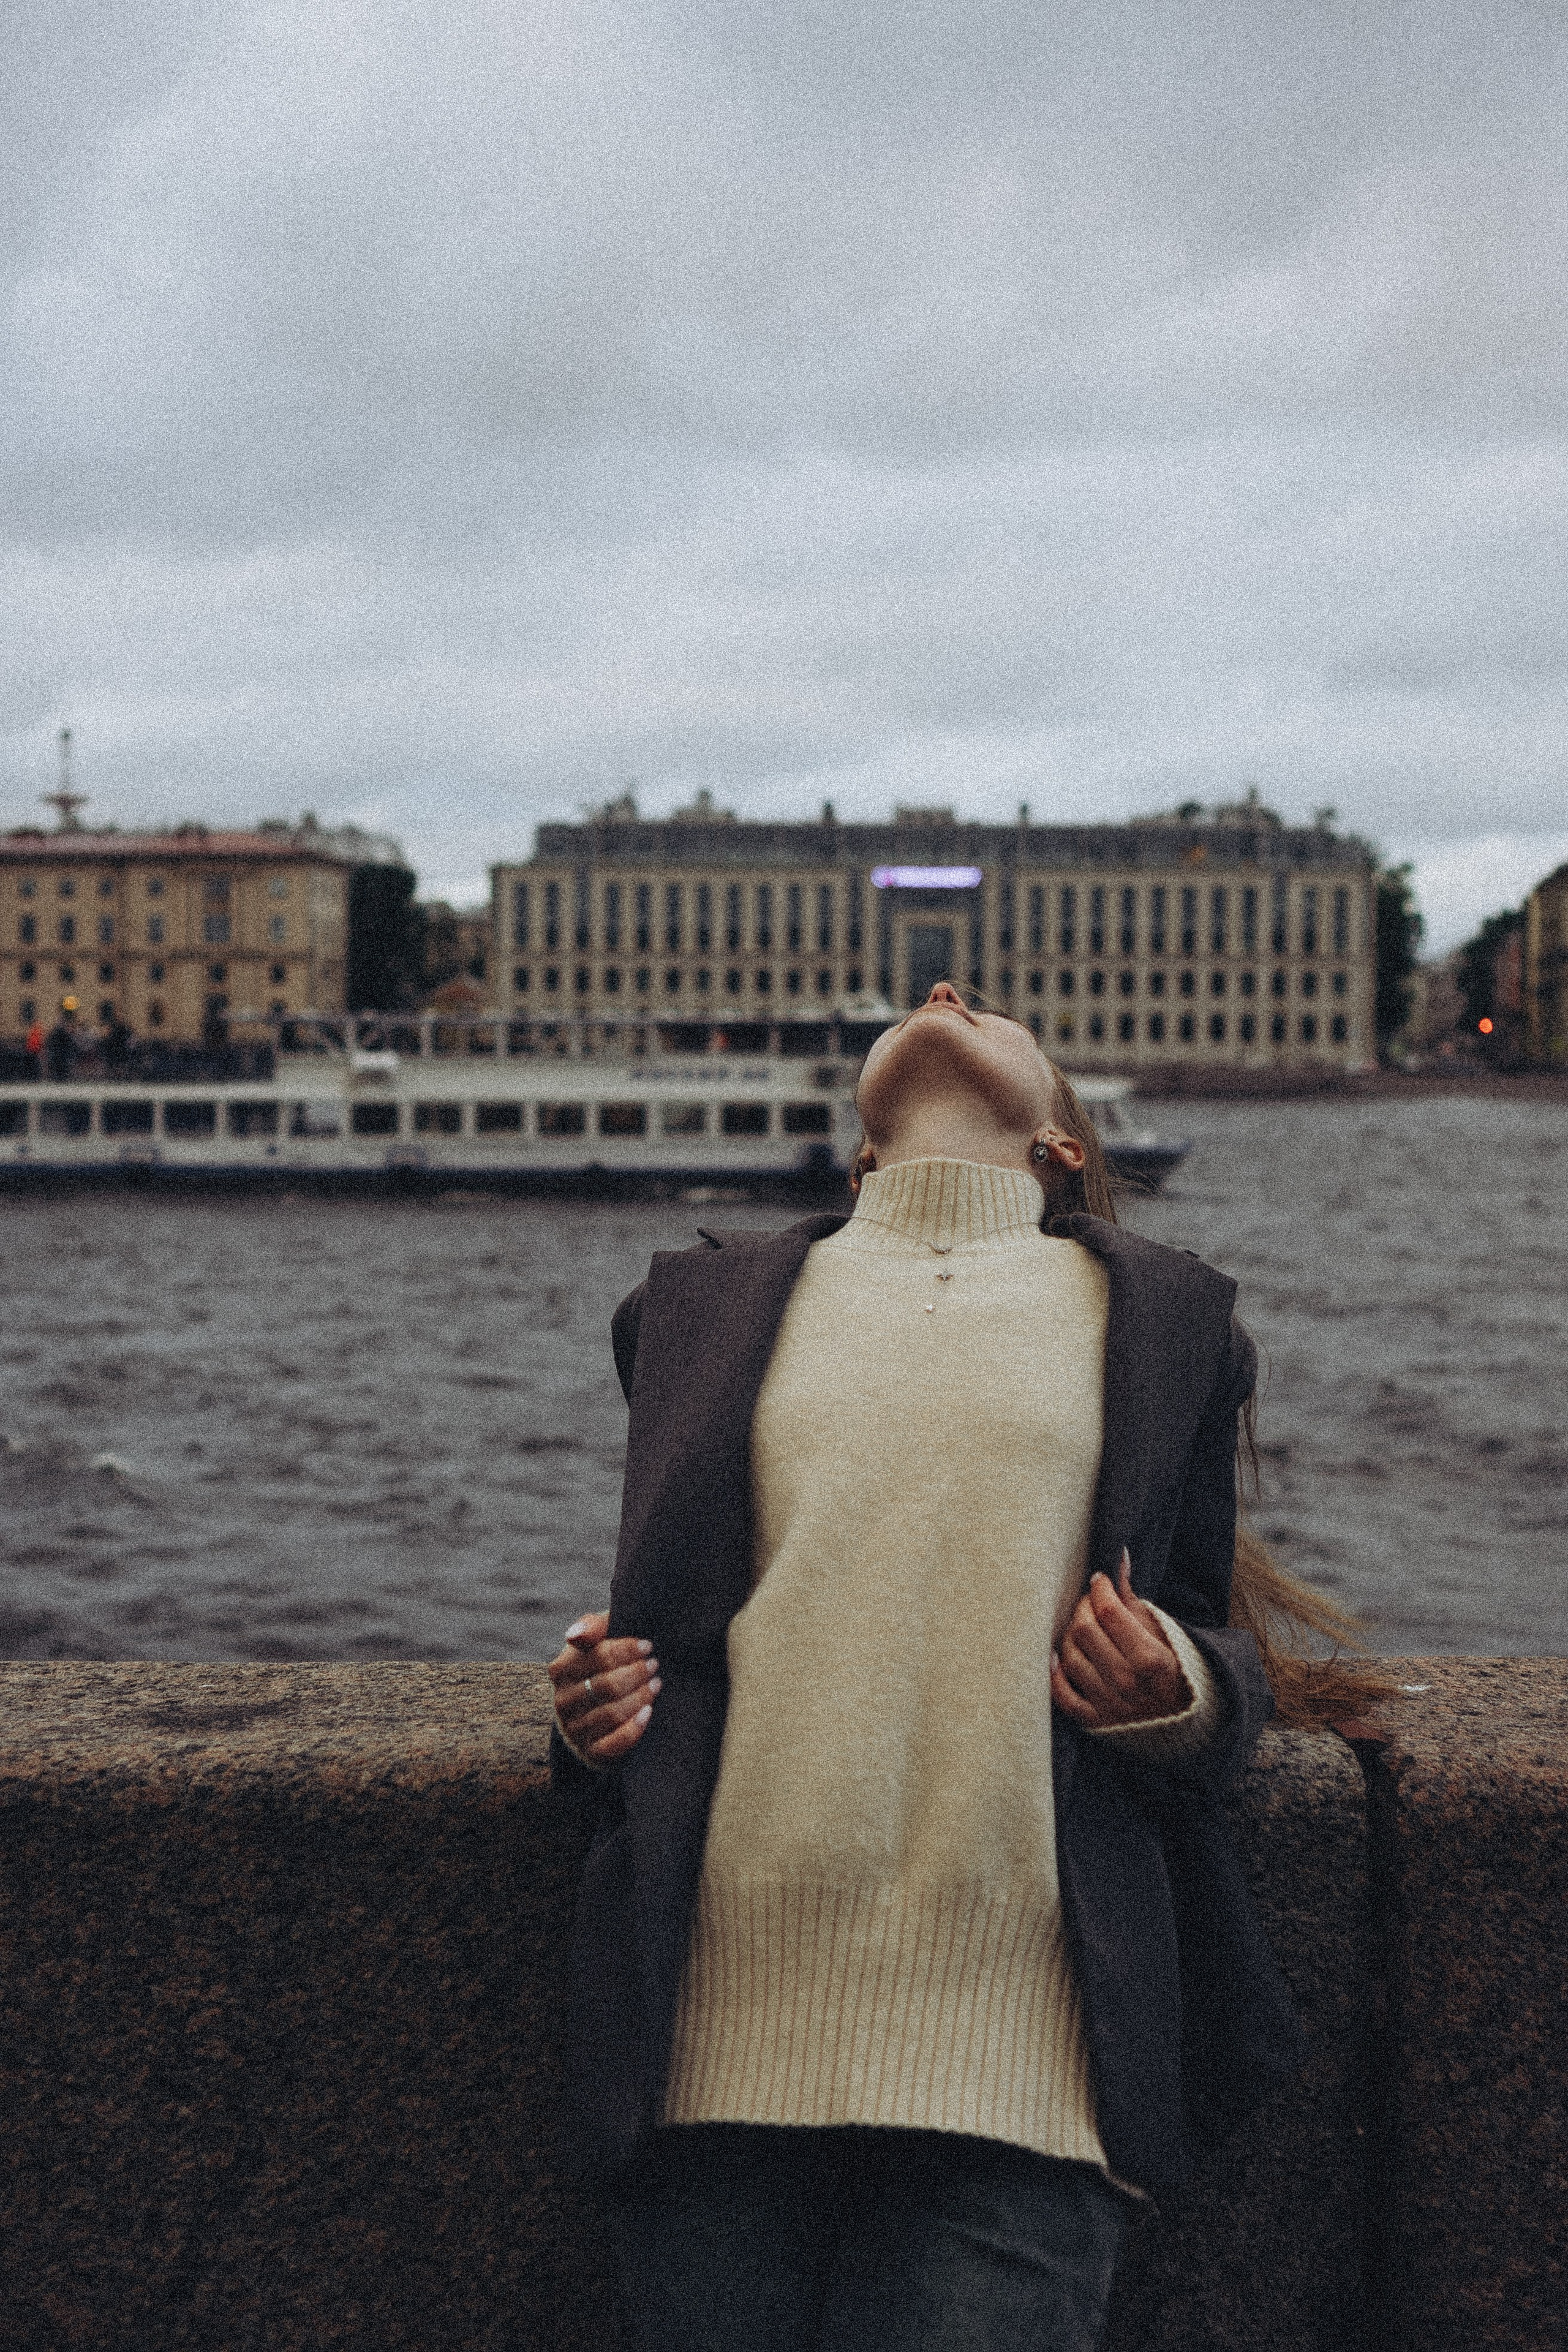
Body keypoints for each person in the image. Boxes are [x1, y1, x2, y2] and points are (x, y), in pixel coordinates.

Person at [548, 982, 1379, 2352]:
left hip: (1027, 2059)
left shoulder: (1167, 1324)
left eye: (985, 1004)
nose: (942, 993)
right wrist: (590, 1719)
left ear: (1061, 1138)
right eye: (929, 996)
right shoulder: (689, 1311)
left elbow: (1202, 1628)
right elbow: (675, 1642)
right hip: (709, 2036)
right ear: (857, 1151)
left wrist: (1179, 1692)